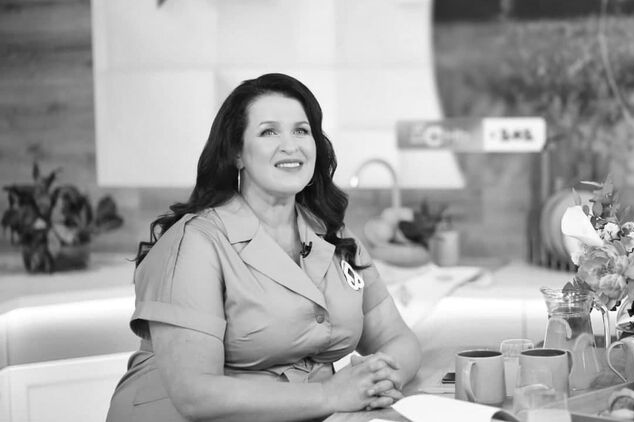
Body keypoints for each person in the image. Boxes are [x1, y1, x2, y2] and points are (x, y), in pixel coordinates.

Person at [106, 73, 422, 422]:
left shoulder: (332, 235)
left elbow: (396, 337)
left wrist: (383, 378)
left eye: (301, 131)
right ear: (237, 153)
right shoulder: (195, 242)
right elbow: (195, 395)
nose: (290, 145)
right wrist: (331, 394)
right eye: (269, 132)